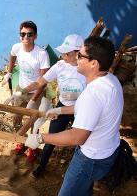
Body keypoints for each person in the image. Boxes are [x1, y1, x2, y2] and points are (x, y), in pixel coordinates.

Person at [25, 36, 123, 195]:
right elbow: (86, 109)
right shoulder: (110, 79)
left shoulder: (92, 94)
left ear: (94, 63)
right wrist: (59, 110)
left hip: (90, 159)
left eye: (81, 55)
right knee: (84, 190)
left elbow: (77, 137)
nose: (77, 58)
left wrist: (41, 138)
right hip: (106, 152)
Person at [19, 34, 86, 173]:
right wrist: (22, 91)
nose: (63, 55)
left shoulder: (86, 69)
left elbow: (93, 93)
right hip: (62, 106)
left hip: (81, 109)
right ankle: (42, 166)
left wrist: (76, 95)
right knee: (51, 137)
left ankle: (77, 169)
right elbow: (40, 82)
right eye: (62, 52)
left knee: (81, 140)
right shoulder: (60, 66)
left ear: (78, 53)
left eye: (67, 53)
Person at [3, 21, 50, 157]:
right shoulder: (17, 47)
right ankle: (20, 141)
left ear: (35, 36)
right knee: (17, 117)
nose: (26, 37)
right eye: (23, 34)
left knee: (33, 121)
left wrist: (33, 100)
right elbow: (12, 55)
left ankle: (31, 146)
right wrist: (9, 72)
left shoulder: (41, 54)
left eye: (29, 34)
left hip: (36, 92)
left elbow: (43, 82)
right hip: (20, 89)